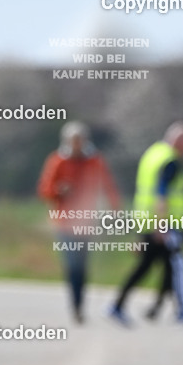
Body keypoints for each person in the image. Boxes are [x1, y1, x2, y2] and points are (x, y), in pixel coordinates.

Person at [110, 122, 183, 325]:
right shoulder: (171, 161)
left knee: (160, 267)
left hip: (146, 221)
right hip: (162, 225)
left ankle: (148, 307)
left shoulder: (153, 153)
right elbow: (162, 194)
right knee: (172, 267)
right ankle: (180, 310)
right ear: (180, 141)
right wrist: (162, 226)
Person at [37, 121, 120, 324]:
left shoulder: (94, 160)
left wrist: (115, 210)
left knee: (82, 265)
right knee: (72, 265)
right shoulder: (58, 161)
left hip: (86, 221)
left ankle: (80, 303)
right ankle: (75, 306)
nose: (76, 144)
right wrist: (59, 190)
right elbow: (44, 190)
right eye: (73, 141)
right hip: (64, 222)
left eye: (79, 140)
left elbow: (108, 185)